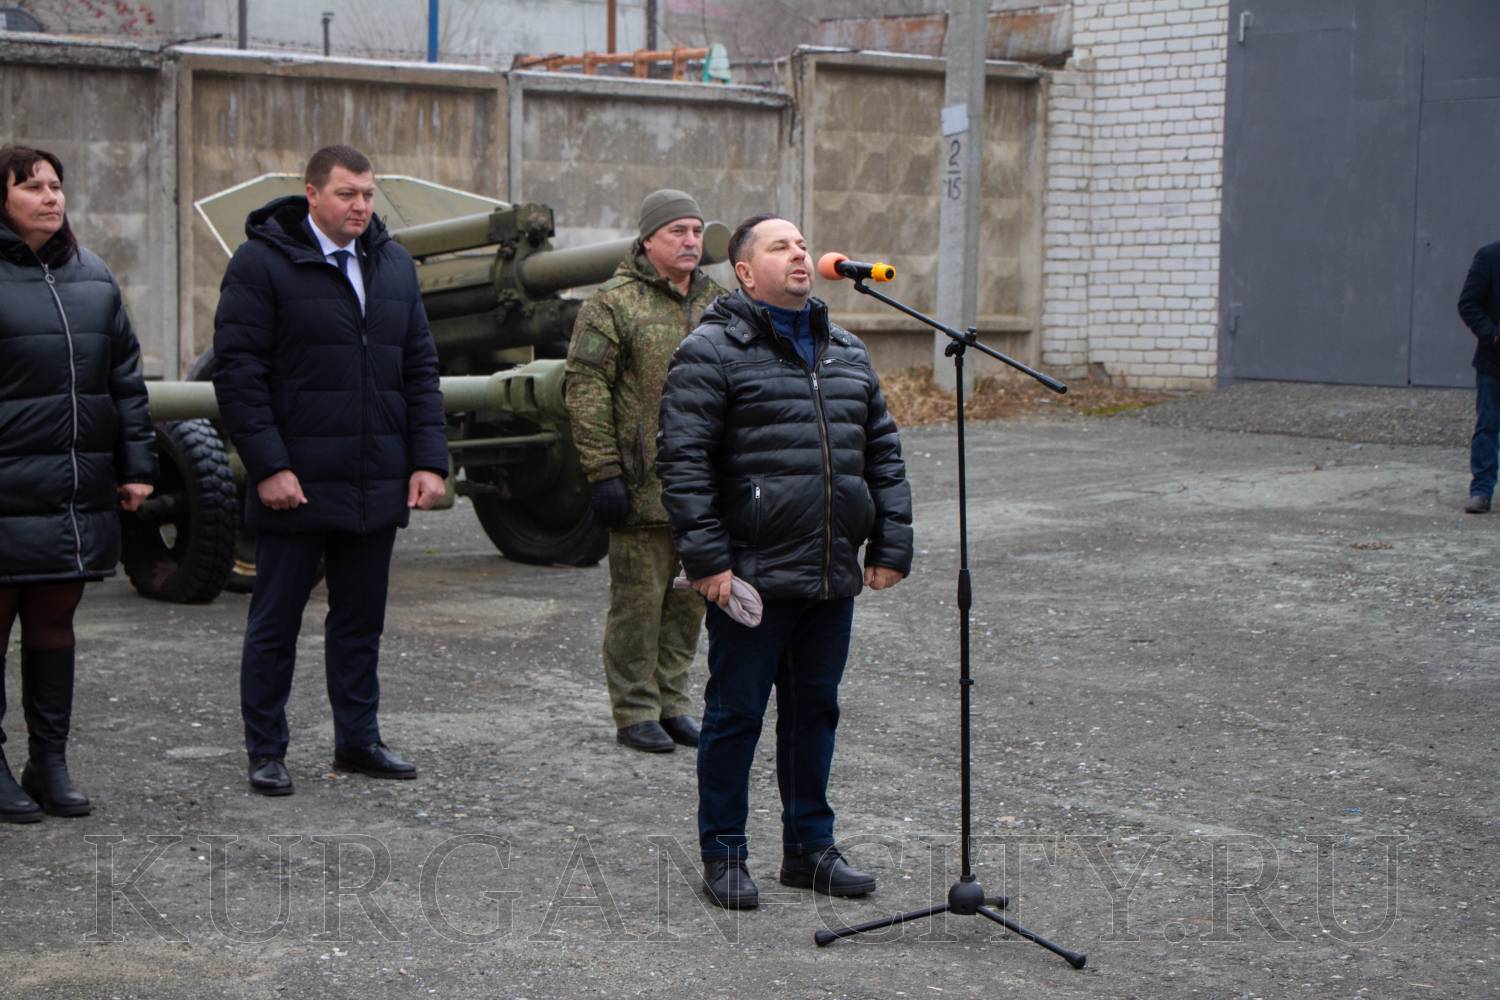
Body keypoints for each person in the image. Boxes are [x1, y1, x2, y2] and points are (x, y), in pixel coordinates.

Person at [655, 214, 913, 909]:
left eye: (802, 244)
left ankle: (809, 850)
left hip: (829, 571)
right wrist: (708, 561)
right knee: (735, 717)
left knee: (814, 715)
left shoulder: (847, 350)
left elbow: (882, 453)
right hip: (751, 576)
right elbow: (683, 463)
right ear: (745, 273)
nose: (800, 254)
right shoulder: (710, 351)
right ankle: (725, 854)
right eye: (780, 247)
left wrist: (890, 543)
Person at [212, 144, 447, 796]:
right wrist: (269, 466)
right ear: (312, 194)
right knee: (275, 624)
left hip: (374, 480)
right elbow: (239, 374)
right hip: (298, 482)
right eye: (347, 194)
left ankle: (358, 740)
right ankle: (267, 750)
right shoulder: (261, 264)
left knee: (359, 623)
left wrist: (428, 460)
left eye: (368, 194)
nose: (361, 206)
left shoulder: (393, 264)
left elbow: (419, 368)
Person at [0, 145, 157, 823]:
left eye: (56, 185)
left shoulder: (93, 276)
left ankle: (49, 761)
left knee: (53, 623)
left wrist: (138, 466)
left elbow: (125, 380)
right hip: (6, 490)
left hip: (71, 490)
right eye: (31, 186)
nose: (50, 197)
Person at [565, 190, 726, 753]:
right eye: (677, 231)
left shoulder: (718, 302)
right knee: (638, 602)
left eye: (697, 231)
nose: (690, 241)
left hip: (705, 487)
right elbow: (585, 387)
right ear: (648, 239)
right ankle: (634, 709)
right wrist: (603, 469)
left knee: (690, 600)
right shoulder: (612, 303)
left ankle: (672, 702)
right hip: (641, 483)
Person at [1457, 239, 1500, 514]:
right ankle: (1482, 491)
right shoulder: (1489, 257)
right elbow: (1468, 303)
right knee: (1487, 426)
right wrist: (1493, 334)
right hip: (1493, 363)